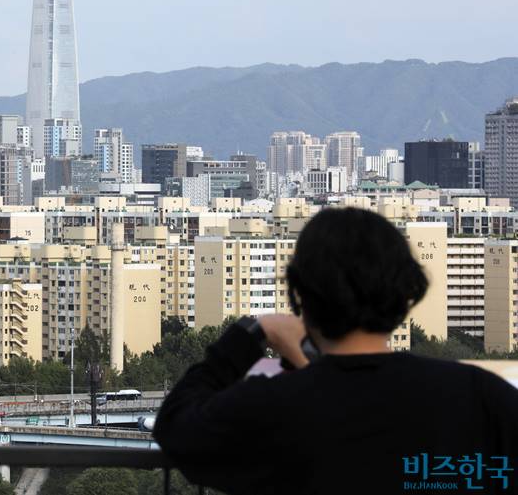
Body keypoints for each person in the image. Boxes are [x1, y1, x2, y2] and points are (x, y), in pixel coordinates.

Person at [154, 207, 518, 494]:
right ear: (407, 292)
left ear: (301, 296)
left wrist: (251, 334)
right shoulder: (476, 396)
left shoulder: (273, 406)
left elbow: (176, 427)